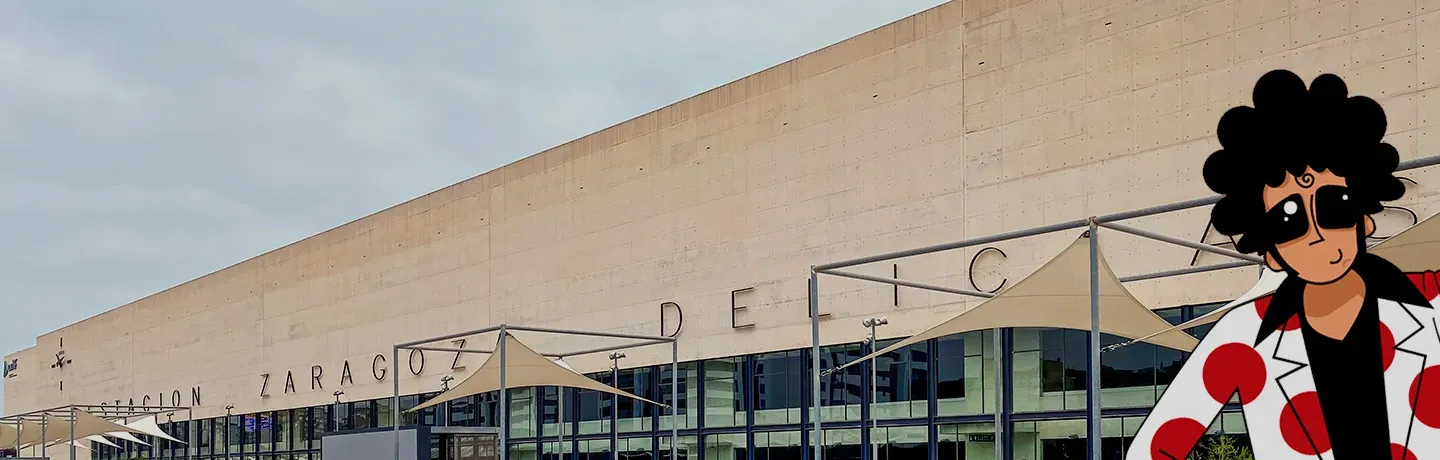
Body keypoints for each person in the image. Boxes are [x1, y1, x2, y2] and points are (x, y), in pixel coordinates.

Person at [1125, 69, 1439, 460]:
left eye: (1334, 206)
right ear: (1270, 251)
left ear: (1365, 218)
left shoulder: (1434, 302)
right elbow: (1154, 447)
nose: (1317, 233)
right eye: (1289, 222)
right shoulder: (1243, 336)